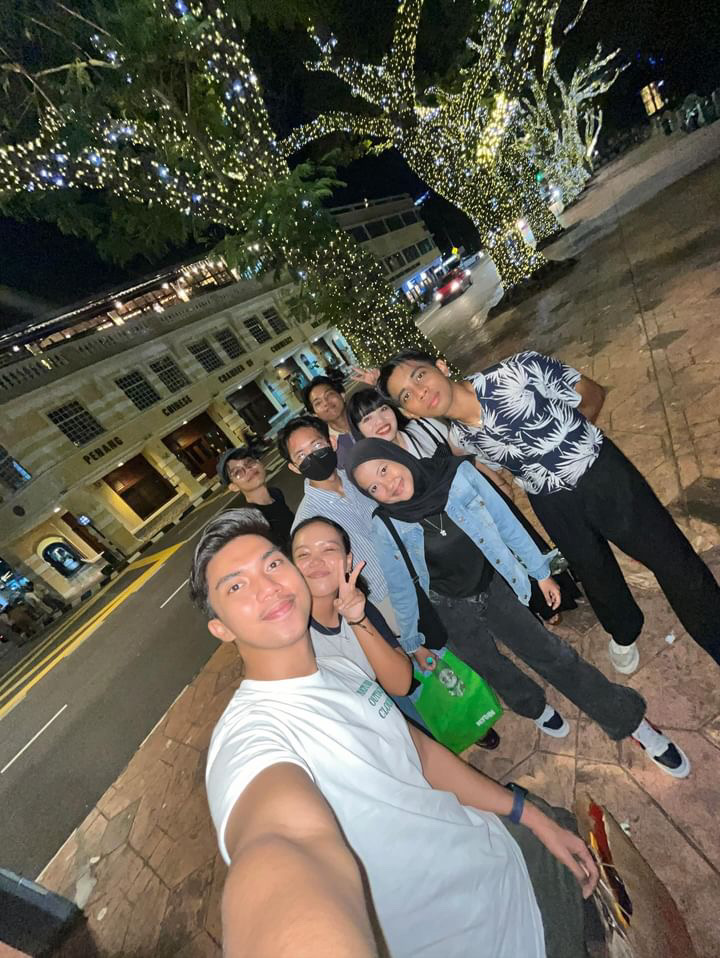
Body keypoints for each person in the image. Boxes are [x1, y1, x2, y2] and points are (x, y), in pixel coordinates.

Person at [191, 508, 601, 958]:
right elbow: (281, 848)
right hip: (473, 939)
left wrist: (528, 815)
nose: (267, 586)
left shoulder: (339, 668)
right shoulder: (252, 738)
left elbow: (419, 754)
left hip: (500, 854)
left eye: (271, 564)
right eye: (236, 586)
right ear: (220, 629)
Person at [346, 438, 690, 778]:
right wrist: (413, 642)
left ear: (397, 456)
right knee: (491, 666)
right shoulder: (386, 524)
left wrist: (540, 573)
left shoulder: (457, 476)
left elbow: (506, 523)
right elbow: (402, 587)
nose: (387, 486)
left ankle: (629, 721)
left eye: (384, 470)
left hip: (493, 587)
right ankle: (533, 707)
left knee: (551, 654)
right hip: (448, 608)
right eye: (374, 487)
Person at [378, 348, 720, 675]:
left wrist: (572, 447)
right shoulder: (461, 438)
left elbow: (591, 393)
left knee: (670, 557)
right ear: (410, 413)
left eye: (419, 375)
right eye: (406, 395)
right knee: (594, 571)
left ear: (441, 367)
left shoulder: (516, 372)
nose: (420, 392)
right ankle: (624, 629)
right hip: (550, 503)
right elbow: (484, 466)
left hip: (601, 474)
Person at [346, 387, 581, 623]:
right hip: (451, 537)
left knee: (513, 543)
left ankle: (552, 597)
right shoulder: (369, 475)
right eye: (367, 419)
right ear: (358, 431)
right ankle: (533, 611)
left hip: (476, 505)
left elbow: (464, 458)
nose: (380, 421)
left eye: (383, 409)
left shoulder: (424, 428)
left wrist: (498, 482)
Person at [291, 515, 500, 749]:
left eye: (328, 549)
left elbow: (400, 684)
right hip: (348, 735)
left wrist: (357, 618)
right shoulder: (290, 634)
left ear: (348, 561)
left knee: (421, 740)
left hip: (379, 698)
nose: (316, 561)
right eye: (303, 554)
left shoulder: (360, 607)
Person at [277, 414, 398, 631]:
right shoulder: (308, 523)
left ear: (332, 443)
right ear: (294, 468)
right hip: (384, 602)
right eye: (301, 455)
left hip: (419, 570)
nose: (312, 456)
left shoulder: (360, 477)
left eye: (317, 445)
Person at [217, 444, 294, 546]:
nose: (248, 470)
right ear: (233, 487)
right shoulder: (252, 521)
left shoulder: (276, 494)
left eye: (249, 462)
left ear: (259, 463)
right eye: (238, 472)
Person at [303, 375, 355, 470]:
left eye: (329, 395)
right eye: (318, 403)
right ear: (314, 414)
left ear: (342, 395)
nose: (326, 403)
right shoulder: (326, 446)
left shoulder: (369, 416)